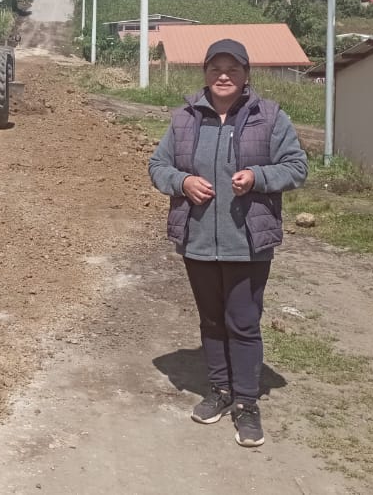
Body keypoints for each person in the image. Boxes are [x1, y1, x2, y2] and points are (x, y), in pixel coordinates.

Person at [148, 38, 308, 448]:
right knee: (212, 321)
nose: (224, 76)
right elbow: (158, 166)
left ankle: (247, 403)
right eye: (216, 69)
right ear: (205, 73)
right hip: (198, 240)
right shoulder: (184, 118)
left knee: (243, 321)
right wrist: (182, 181)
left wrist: (258, 177)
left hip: (248, 241)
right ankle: (219, 390)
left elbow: (296, 166)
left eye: (232, 69)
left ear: (246, 74)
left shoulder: (269, 117)